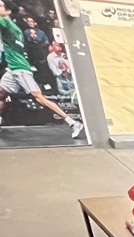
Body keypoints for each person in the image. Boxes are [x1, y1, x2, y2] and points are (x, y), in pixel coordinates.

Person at [0, 4, 82, 137]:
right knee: (1, 94)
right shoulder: (16, 28)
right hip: (12, 70)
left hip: (21, 70)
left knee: (40, 98)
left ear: (7, 11)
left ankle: (73, 122)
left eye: (0, 5)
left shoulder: (5, 23)